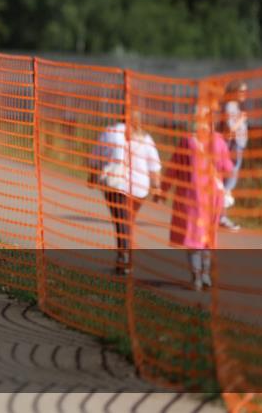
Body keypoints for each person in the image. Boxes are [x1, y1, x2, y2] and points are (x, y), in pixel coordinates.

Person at [163, 97, 233, 291]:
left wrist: (163, 189)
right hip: (212, 197)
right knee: (208, 237)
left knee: (193, 237)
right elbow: (228, 168)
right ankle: (206, 275)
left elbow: (174, 168)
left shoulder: (187, 140)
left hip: (190, 197)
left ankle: (196, 277)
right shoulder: (218, 140)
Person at [91, 108, 162, 274]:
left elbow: (96, 157)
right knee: (127, 221)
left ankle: (124, 258)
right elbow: (155, 166)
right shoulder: (146, 139)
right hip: (139, 189)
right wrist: (157, 187)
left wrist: (92, 177)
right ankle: (123, 257)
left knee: (120, 221)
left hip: (115, 184)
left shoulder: (110, 131)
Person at [218, 81, 249, 231]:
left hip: (237, 148)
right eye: (241, 91)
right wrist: (242, 119)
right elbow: (230, 129)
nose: (244, 94)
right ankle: (220, 217)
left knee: (228, 185)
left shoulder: (234, 106)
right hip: (232, 148)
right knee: (227, 185)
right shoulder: (230, 105)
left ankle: (219, 216)